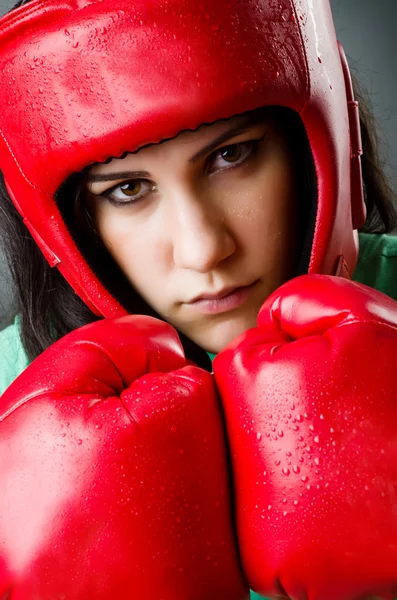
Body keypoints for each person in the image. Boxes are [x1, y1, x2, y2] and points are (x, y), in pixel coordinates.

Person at [0, 0, 396, 598]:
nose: (203, 249)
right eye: (129, 189)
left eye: (230, 155)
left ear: (310, 144)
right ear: (75, 222)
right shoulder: (9, 394)